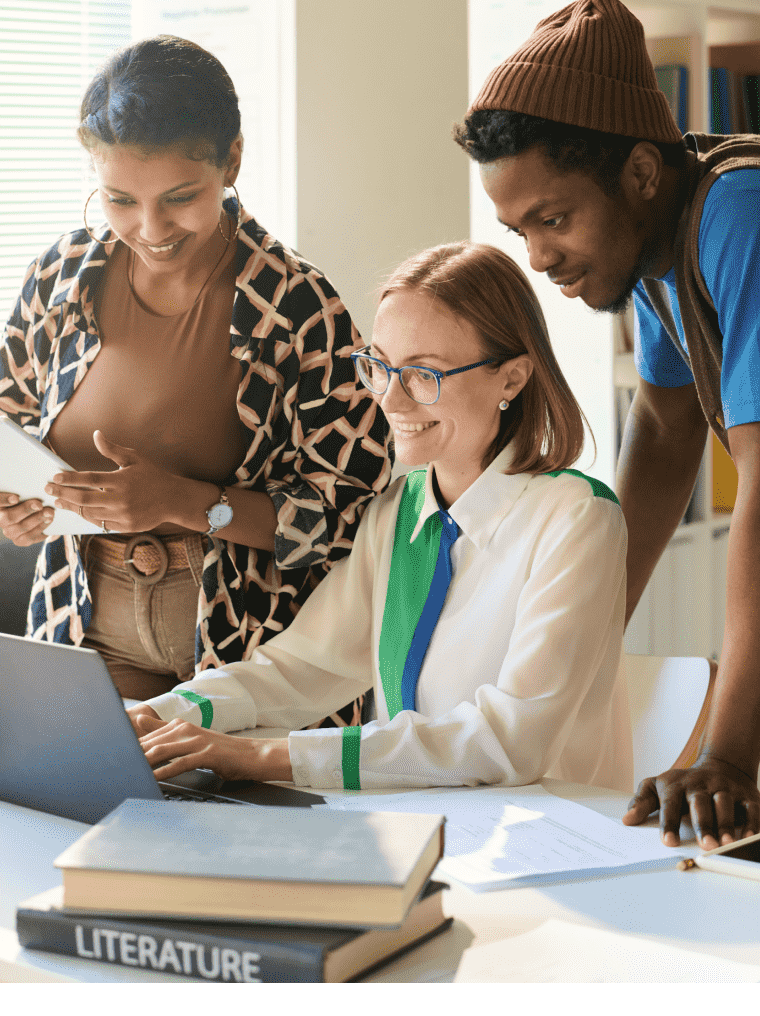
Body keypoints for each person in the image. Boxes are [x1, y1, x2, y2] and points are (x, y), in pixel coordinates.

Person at [128, 241, 632, 793]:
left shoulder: (577, 519)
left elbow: (509, 742)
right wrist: (169, 713)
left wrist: (260, 756)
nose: (390, 401)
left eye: (423, 374)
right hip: (420, 828)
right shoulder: (399, 510)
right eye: (380, 367)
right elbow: (301, 669)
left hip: (549, 845)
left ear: (510, 379)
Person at [0, 35, 391, 712]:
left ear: (232, 159)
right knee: (89, 812)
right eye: (119, 200)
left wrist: (182, 502)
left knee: (230, 818)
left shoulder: (298, 306)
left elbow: (349, 519)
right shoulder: (59, 280)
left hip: (249, 652)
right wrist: (16, 506)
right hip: (85, 628)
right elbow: (10, 428)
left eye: (180, 197)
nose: (151, 228)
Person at [453, 0, 760, 848]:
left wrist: (731, 758)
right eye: (520, 231)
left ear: (639, 174)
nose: (540, 257)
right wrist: (578, 638)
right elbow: (664, 439)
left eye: (554, 219)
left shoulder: (739, 215)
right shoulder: (659, 251)